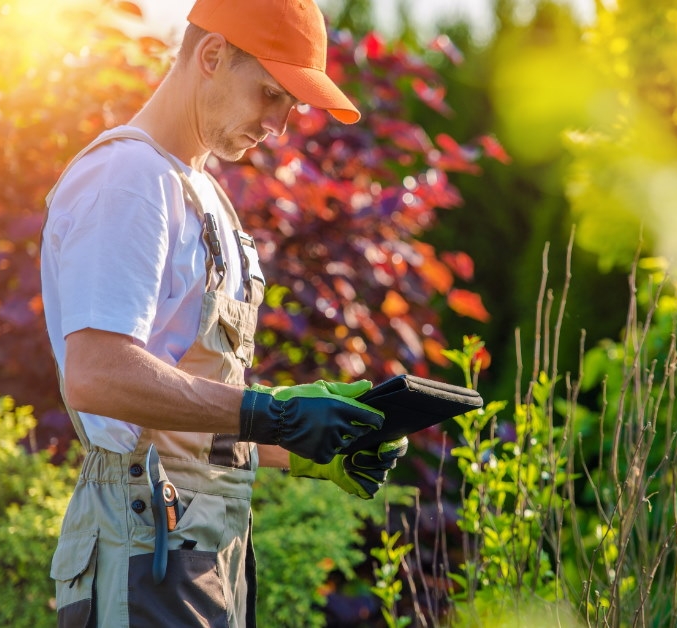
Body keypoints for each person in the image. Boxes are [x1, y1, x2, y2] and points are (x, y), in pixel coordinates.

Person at [40, 0, 408, 625]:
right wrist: (272, 414)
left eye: (292, 104)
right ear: (211, 56)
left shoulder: (204, 193)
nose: (280, 124)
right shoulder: (129, 177)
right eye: (270, 94)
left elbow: (182, 421)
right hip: (145, 547)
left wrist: (306, 445)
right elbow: (97, 375)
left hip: (202, 546)